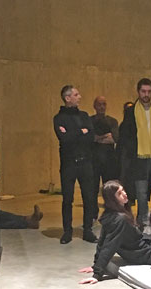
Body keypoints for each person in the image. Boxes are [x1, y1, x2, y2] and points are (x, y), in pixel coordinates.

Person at [78, 181, 151, 284]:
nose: (124, 193)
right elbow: (109, 245)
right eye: (119, 193)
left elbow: (102, 241)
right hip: (146, 254)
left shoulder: (113, 214)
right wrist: (97, 273)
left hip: (146, 248)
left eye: (123, 190)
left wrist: (96, 265)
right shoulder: (120, 220)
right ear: (112, 199)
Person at [119, 78, 151, 228]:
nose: (146, 95)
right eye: (143, 91)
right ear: (138, 92)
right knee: (141, 192)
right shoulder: (131, 111)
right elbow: (126, 134)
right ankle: (142, 220)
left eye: (149, 91)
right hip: (139, 157)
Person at [53, 85, 96, 244]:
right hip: (69, 164)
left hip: (86, 161)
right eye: (76, 94)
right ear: (67, 98)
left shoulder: (85, 115)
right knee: (67, 198)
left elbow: (90, 136)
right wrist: (81, 131)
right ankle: (67, 231)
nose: (80, 97)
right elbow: (64, 139)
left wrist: (73, 132)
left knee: (89, 197)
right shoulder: (58, 118)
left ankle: (88, 230)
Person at [90, 96, 119, 219]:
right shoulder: (89, 120)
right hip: (93, 160)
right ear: (94, 106)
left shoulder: (112, 121)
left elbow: (114, 139)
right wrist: (103, 137)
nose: (102, 107)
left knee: (109, 190)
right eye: (99, 104)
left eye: (104, 104)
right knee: (92, 190)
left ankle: (110, 214)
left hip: (109, 161)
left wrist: (97, 138)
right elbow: (89, 138)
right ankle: (92, 215)